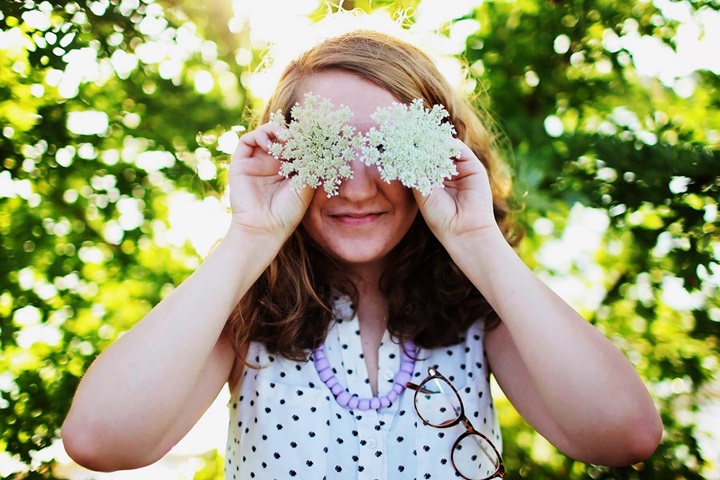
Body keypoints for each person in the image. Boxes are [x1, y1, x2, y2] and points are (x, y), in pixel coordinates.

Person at [61, 16, 663, 480]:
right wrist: (249, 238)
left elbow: (625, 436)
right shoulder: (248, 312)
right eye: (326, 146)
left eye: (388, 148)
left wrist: (477, 241)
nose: (354, 187)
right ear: (284, 154)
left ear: (442, 153)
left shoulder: (481, 311)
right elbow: (100, 442)